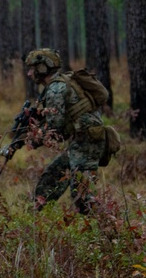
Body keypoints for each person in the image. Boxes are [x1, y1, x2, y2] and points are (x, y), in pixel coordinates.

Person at [20, 48, 107, 214]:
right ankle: (35, 217)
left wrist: (33, 140)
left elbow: (56, 130)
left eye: (32, 69)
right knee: (52, 177)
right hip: (80, 141)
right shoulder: (58, 83)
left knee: (82, 194)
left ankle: (103, 230)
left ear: (43, 68)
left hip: (87, 142)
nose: (30, 74)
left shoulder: (55, 90)